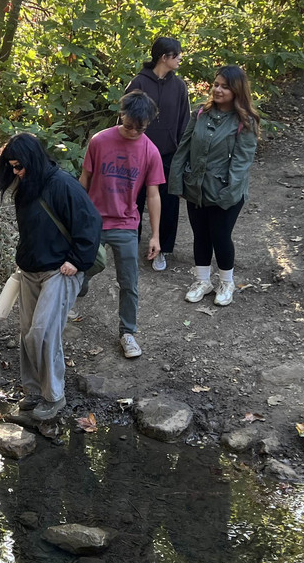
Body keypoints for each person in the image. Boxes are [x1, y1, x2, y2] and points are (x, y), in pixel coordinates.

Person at [0, 133, 102, 421]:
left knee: (43, 332)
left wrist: (77, 261)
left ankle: (54, 396)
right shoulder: (26, 185)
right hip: (30, 271)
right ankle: (33, 390)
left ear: (33, 159)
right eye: (12, 168)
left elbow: (91, 223)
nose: (16, 173)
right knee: (27, 333)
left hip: (60, 271)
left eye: (19, 166)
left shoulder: (63, 184)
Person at [79, 91, 165, 359]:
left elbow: (153, 195)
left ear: (148, 124)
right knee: (82, 267)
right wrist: (76, 218)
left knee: (129, 282)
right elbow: (84, 180)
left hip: (127, 224)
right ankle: (75, 294)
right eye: (128, 125)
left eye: (139, 129)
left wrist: (155, 236)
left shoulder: (150, 151)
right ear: (121, 115)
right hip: (94, 220)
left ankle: (127, 333)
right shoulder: (100, 141)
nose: (132, 132)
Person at [170, 66, 260, 307]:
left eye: (225, 86)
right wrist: (177, 182)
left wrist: (226, 195)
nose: (218, 89)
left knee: (220, 235)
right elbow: (184, 148)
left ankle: (226, 282)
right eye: (216, 84)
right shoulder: (200, 113)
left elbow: (242, 163)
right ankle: (202, 281)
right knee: (200, 235)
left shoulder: (244, 121)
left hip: (226, 190)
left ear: (236, 90)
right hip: (196, 187)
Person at [125, 36, 191, 271]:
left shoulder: (180, 86)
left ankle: (161, 248)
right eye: (177, 54)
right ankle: (129, 247)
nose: (181, 58)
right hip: (137, 156)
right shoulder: (138, 84)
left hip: (168, 156)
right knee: (134, 201)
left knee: (168, 202)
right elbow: (124, 121)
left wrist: (182, 155)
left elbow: (185, 123)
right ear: (164, 57)